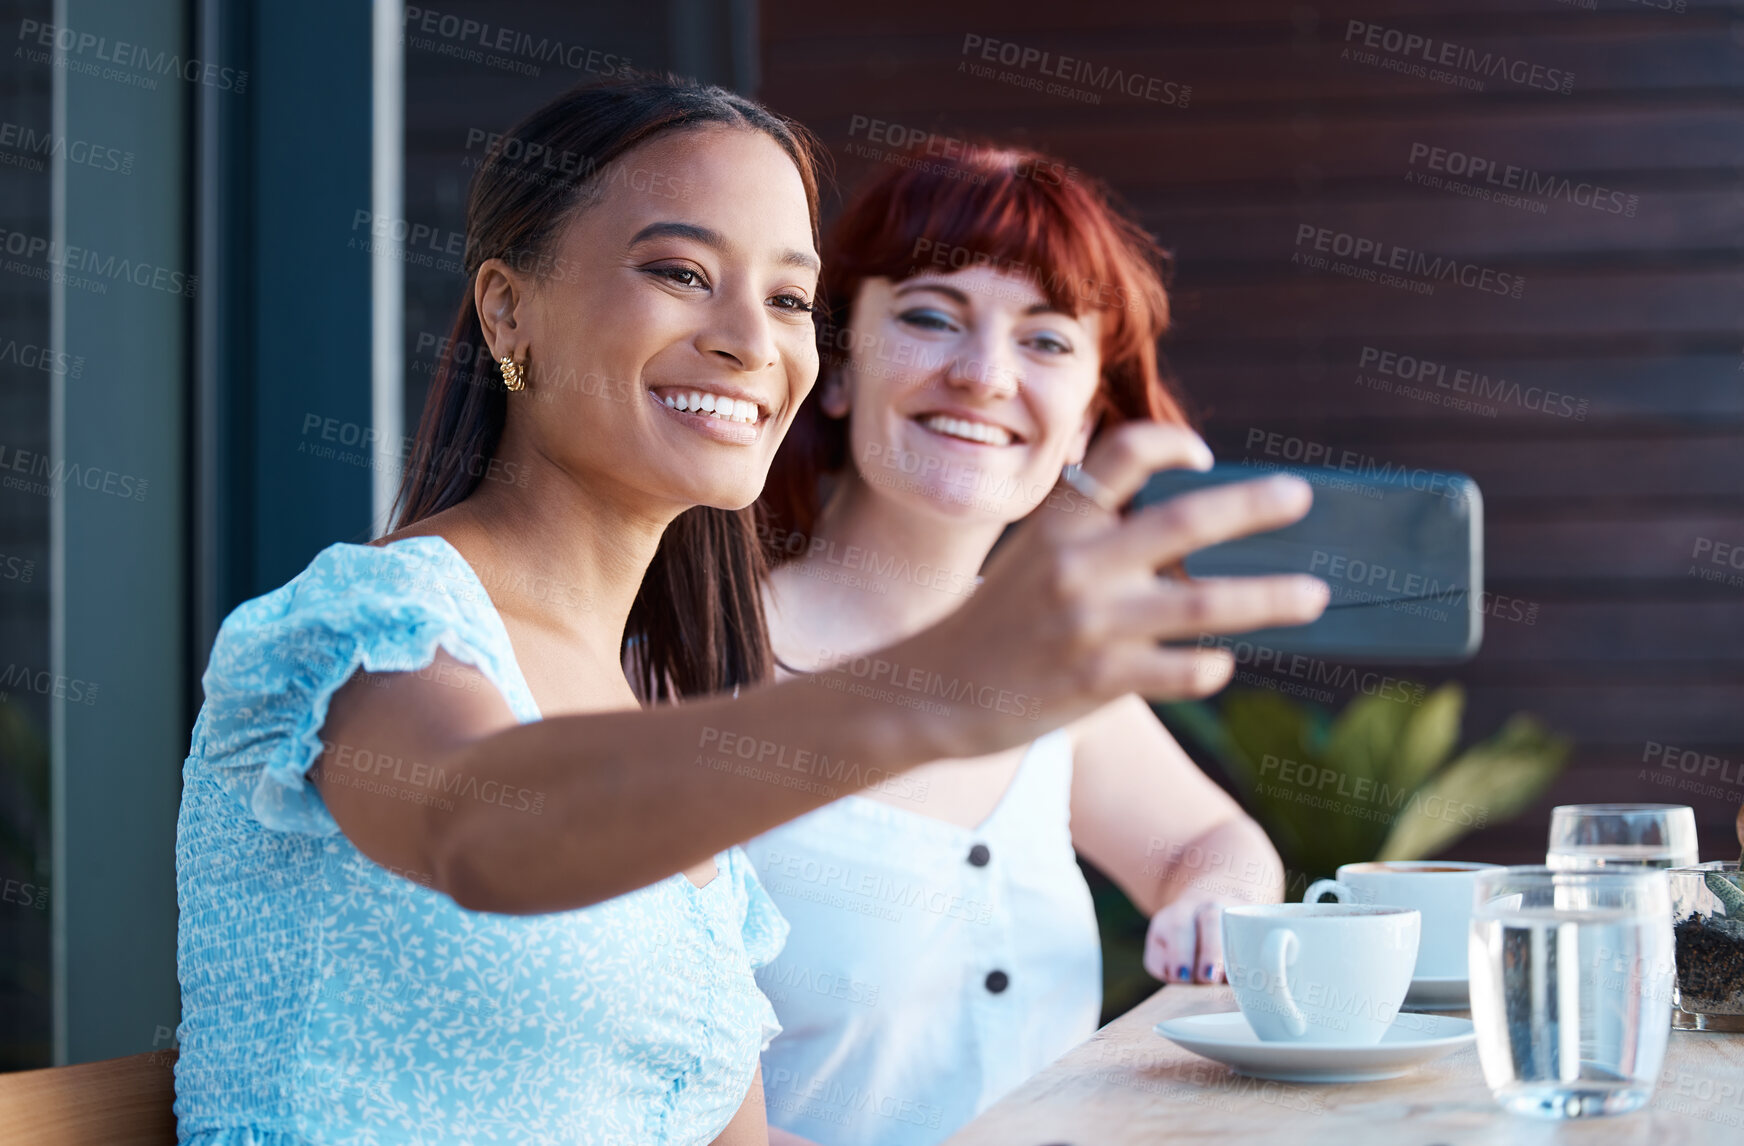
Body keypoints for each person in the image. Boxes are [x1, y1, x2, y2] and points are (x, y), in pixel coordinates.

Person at [173, 76, 1326, 1146]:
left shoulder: (644, 693)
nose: (745, 336)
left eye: (786, 295)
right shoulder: (365, 625)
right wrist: (940, 687)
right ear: (506, 309)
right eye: (679, 272)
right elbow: (483, 833)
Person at [747, 143, 1291, 1144]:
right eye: (927, 316)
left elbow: (1217, 846)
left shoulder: (1058, 676)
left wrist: (1215, 903)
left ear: (1086, 420)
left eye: (1044, 342)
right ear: (834, 367)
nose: (983, 376)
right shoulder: (695, 663)